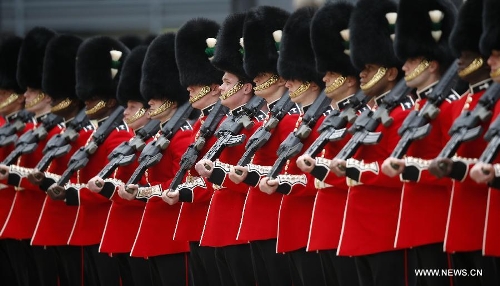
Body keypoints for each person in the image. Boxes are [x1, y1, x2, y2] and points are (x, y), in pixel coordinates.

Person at [327, 0, 415, 285]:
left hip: (387, 226)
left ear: (390, 72)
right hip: (357, 227)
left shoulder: (403, 114)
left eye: (369, 66)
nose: (361, 73)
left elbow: (396, 171)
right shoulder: (364, 114)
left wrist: (353, 169)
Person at [379, 0, 458, 285]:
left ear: (432, 63)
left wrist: (411, 168)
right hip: (410, 221)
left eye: (412, 60)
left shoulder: (449, 107)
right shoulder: (413, 107)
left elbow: (452, 167)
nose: (405, 66)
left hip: (439, 221)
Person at [45, 36, 133, 286]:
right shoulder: (95, 132)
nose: (87, 103)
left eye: (93, 98)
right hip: (87, 227)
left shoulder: (118, 135)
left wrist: (75, 195)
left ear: (110, 99)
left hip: (105, 226)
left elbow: (114, 183)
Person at [252, 6, 328, 286]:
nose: (288, 81)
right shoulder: (297, 118)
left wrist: (286, 182)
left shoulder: (315, 119)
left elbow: (323, 175)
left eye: (294, 76)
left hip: (312, 224)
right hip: (292, 224)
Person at [189, 12, 265, 286]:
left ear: (246, 88)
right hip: (220, 220)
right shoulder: (224, 122)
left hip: (240, 218)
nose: (221, 87)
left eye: (228, 82)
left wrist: (218, 174)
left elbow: (255, 173)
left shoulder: (256, 123)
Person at [114, 33, 193, 286]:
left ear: (170, 98)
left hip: (172, 233)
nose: (150, 102)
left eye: (155, 98)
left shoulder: (181, 136)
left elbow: (182, 180)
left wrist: (144, 192)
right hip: (153, 230)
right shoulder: (157, 135)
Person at [227, 5, 296, 286]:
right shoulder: (262, 118)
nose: (254, 79)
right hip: (256, 218)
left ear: (279, 77)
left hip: (277, 218)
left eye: (261, 74)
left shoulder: (291, 118)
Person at [295, 2, 362, 285]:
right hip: (323, 222)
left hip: (351, 220)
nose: (324, 78)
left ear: (348, 79)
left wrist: (320, 169)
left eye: (332, 74)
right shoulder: (329, 116)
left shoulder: (360, 116)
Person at [86, 44, 154, 286]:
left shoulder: (126, 137)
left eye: (133, 107)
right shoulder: (132, 138)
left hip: (135, 225)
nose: (126, 113)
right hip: (120, 227)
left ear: (148, 109)